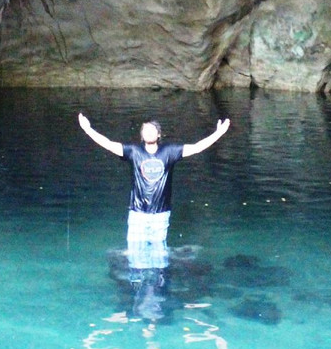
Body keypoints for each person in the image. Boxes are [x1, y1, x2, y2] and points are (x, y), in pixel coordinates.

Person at [77, 112, 230, 271]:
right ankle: (137, 288)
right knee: (136, 257)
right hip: (138, 214)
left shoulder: (169, 151)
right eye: (145, 130)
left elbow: (197, 148)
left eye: (152, 130)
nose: (149, 132)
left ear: (158, 134)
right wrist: (88, 130)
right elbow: (108, 144)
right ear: (142, 135)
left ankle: (159, 290)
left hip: (160, 215)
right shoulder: (133, 151)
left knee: (159, 258)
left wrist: (218, 133)